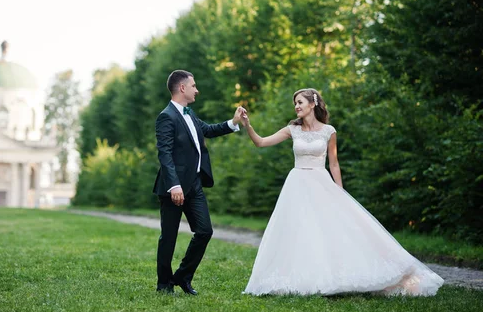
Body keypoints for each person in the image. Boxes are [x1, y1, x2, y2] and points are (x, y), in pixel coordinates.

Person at [240, 88, 444, 296]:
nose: (297, 106)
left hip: (321, 182)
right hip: (297, 184)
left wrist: (340, 192)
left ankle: (344, 274)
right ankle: (306, 277)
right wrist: (248, 125)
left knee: (331, 229)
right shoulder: (292, 129)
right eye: (295, 103)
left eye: (300, 102)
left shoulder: (329, 131)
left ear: (313, 104)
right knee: (299, 230)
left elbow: (334, 163)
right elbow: (261, 142)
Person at [153, 70, 245, 295]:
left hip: (194, 185)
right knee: (169, 237)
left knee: (204, 231)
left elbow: (209, 130)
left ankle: (183, 277)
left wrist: (233, 122)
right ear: (182, 88)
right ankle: (164, 284)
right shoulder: (166, 116)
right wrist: (174, 185)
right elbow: (164, 153)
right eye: (193, 85)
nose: (197, 89)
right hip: (173, 187)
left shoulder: (190, 114)